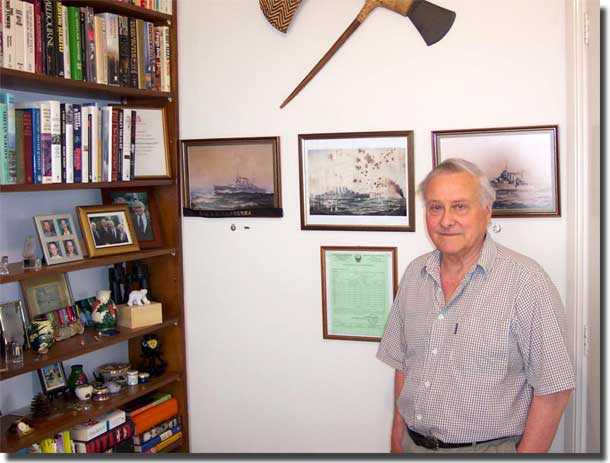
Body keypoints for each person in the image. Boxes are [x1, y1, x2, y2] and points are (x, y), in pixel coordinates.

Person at [377, 158, 575, 454]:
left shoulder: (525, 281)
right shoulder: (414, 275)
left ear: (486, 211)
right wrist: (396, 439)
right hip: (412, 446)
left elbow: (554, 388)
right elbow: (404, 366)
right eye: (435, 207)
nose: (445, 220)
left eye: (459, 206)